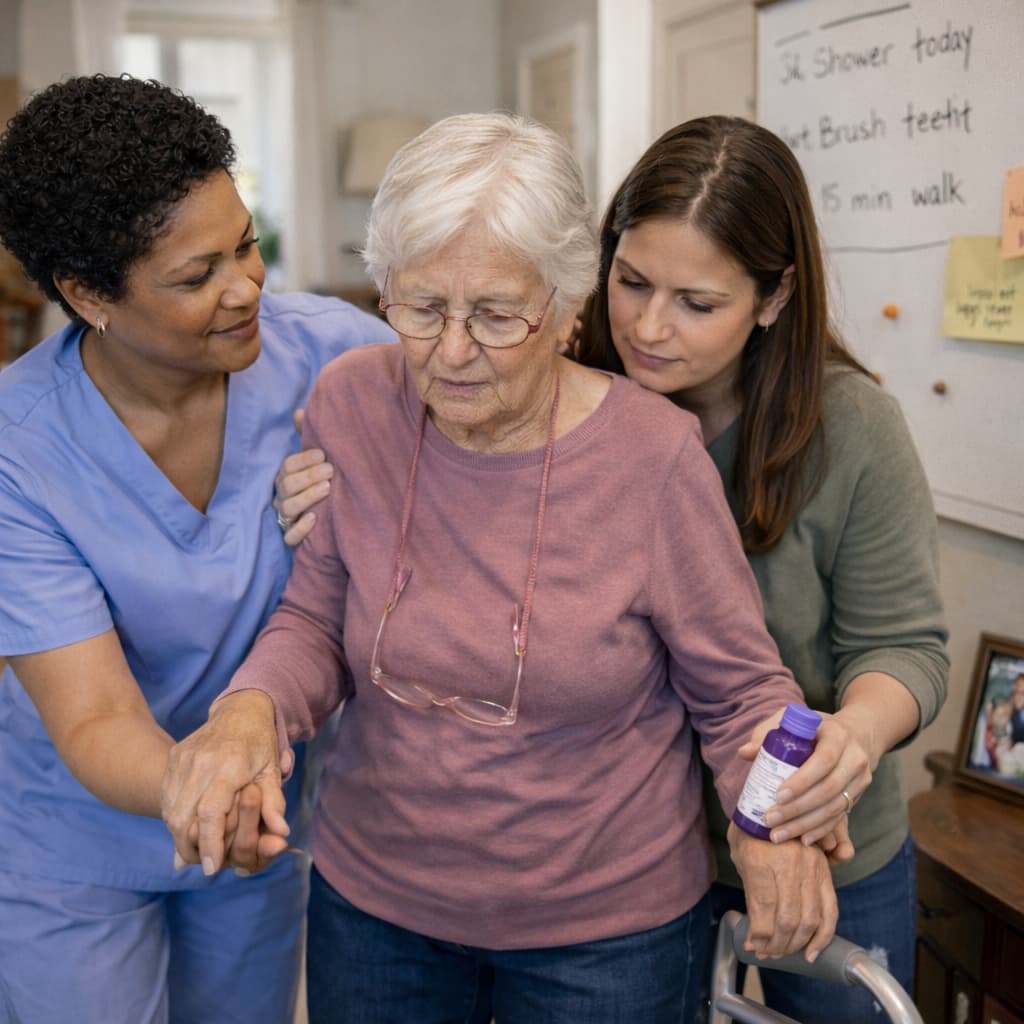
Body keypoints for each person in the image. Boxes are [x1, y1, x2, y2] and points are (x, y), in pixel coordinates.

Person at [161, 112, 858, 1024]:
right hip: (377, 904)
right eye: (418, 308)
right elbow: (315, 619)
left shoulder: (654, 458)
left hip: (607, 932)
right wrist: (247, 714)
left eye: (495, 314)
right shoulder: (353, 404)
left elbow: (736, 693)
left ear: (569, 305)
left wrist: (770, 825)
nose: (451, 351)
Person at [0, 74, 393, 1023]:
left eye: (247, 244)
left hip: (259, 820)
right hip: (80, 840)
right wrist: (207, 784)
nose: (247, 286)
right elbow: (93, 718)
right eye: (195, 276)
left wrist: (376, 501)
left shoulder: (336, 356)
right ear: (89, 294)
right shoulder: (20, 450)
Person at [573, 115, 949, 1023]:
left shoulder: (852, 428)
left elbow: (906, 649)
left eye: (698, 303)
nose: (649, 327)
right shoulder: (570, 394)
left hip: (823, 845)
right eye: (630, 282)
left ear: (775, 298)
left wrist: (852, 736)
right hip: (631, 851)